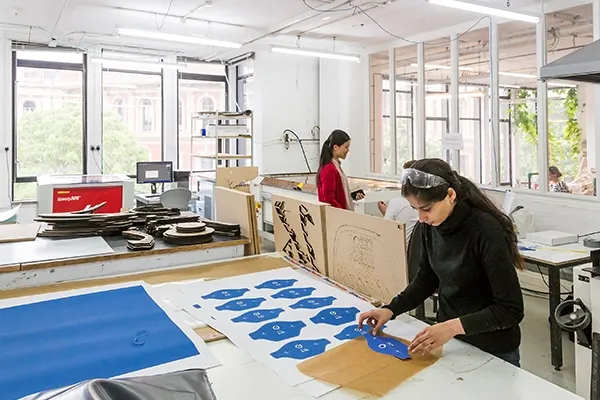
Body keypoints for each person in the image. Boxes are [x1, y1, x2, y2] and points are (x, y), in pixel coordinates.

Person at [357, 158, 524, 367]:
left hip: (493, 347)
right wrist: (390, 310)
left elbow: (510, 309)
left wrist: (451, 327)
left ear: (451, 195)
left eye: (426, 209)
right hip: (453, 341)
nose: (421, 218)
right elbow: (426, 278)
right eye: (415, 209)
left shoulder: (486, 231)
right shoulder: (431, 225)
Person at [317, 129, 364, 210]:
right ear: (335, 147)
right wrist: (343, 214)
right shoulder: (329, 169)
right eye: (346, 147)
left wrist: (351, 197)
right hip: (338, 217)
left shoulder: (336, 166)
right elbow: (328, 199)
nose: (348, 150)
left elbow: (339, 194)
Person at [377, 160, 419, 244]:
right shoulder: (426, 202)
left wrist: (386, 213)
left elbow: (383, 231)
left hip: (401, 252)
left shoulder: (396, 202)